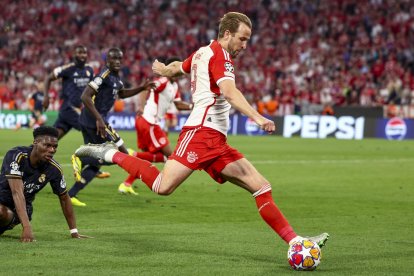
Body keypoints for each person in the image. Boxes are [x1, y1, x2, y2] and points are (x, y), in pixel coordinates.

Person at [75, 12, 329, 247]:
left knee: (261, 186)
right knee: (163, 186)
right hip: (200, 133)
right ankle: (109, 153)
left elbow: (179, 67)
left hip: (217, 141)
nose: (244, 45)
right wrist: (257, 117)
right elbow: (229, 92)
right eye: (242, 39)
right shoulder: (220, 55)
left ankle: (297, 242)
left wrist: (165, 69)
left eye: (248, 40)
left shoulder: (201, 53)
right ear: (227, 34)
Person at [68, 47, 154, 206]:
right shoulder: (104, 75)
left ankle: (71, 194)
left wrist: (141, 88)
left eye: (120, 59)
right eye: (114, 59)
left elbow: (121, 94)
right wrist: (99, 119)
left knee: (97, 162)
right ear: (107, 60)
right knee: (119, 152)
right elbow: (85, 96)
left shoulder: (116, 78)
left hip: (94, 120)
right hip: (95, 121)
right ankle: (80, 157)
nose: (117, 62)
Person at [0, 126, 90, 242]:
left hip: (17, 212)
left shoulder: (54, 169)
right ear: (35, 143)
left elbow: (64, 198)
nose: (52, 150)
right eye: (47, 145)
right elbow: (16, 191)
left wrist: (74, 231)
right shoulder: (16, 156)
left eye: (55, 147)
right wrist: (27, 227)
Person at [119, 58, 193, 195]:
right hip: (149, 122)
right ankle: (133, 154)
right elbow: (144, 88)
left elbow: (178, 104)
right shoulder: (163, 82)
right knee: (169, 156)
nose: (181, 70)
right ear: (171, 68)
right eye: (176, 66)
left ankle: (126, 183)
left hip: (148, 122)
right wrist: (140, 106)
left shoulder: (174, 86)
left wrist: (192, 106)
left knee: (146, 158)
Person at [42, 45, 110, 179]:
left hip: (74, 111)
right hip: (69, 109)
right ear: (74, 54)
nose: (83, 55)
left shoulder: (89, 70)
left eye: (84, 53)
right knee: (94, 132)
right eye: (80, 53)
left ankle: (29, 159)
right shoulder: (67, 69)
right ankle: (92, 166)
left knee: (50, 139)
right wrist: (46, 97)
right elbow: (48, 78)